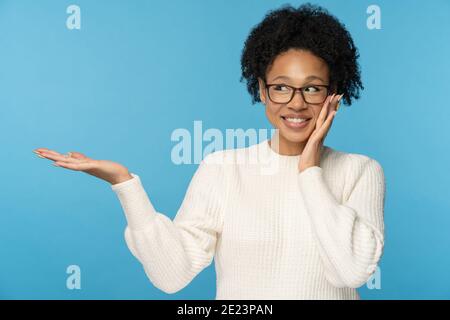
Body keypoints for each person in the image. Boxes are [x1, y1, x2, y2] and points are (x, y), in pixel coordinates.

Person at [33, 3, 385, 299]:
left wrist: (309, 168)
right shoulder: (223, 167)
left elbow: (351, 270)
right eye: (280, 87)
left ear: (333, 93)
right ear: (261, 91)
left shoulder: (361, 171)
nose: (296, 103)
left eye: (312, 89)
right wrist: (124, 183)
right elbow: (173, 274)